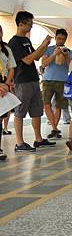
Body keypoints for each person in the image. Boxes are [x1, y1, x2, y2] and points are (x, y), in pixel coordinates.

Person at [8, 11, 56, 152]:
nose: (31, 27)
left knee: (36, 111)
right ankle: (19, 143)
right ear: (21, 23)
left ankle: (38, 139)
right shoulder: (14, 42)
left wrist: (45, 46)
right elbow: (28, 60)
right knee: (20, 112)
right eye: (29, 24)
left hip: (33, 79)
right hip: (22, 80)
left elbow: (36, 57)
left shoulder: (26, 40)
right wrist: (42, 45)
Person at [40, 28, 72, 139]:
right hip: (48, 80)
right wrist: (54, 54)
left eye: (63, 39)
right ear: (55, 38)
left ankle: (54, 128)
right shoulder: (48, 49)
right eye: (59, 38)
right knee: (46, 104)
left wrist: (66, 56)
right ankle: (54, 127)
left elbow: (71, 68)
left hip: (62, 81)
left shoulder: (69, 51)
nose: (61, 41)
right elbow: (44, 64)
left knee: (59, 105)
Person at [1, 24, 17, 160]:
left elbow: (11, 68)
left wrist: (7, 83)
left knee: (0, 118)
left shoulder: (6, 49)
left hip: (3, 85)